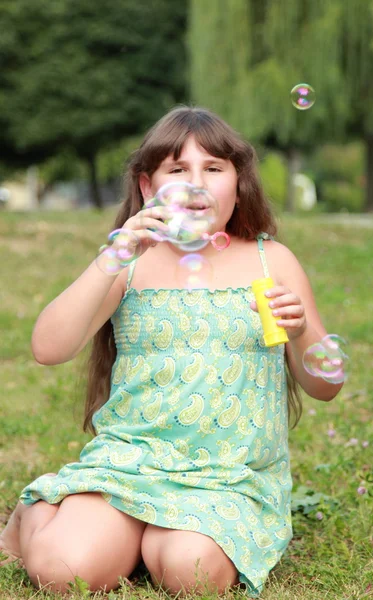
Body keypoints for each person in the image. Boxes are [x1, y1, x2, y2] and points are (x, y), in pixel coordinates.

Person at [0, 106, 343, 596]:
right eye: (178, 170)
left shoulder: (272, 262)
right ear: (147, 187)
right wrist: (110, 258)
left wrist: (303, 330)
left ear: (239, 182)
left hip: (226, 476)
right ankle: (40, 514)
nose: (196, 183)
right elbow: (47, 348)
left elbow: (325, 384)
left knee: (192, 574)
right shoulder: (132, 264)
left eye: (214, 168)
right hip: (130, 463)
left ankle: (143, 539)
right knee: (63, 571)